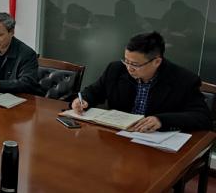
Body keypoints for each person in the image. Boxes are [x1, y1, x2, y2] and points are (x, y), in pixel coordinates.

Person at [73, 31, 212, 132]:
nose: (129, 68)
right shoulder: (116, 69)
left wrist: (161, 120)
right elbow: (94, 92)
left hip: (154, 143)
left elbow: (202, 117)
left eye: (135, 64)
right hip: (117, 138)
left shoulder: (184, 80)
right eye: (126, 61)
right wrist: (83, 100)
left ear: (157, 62)